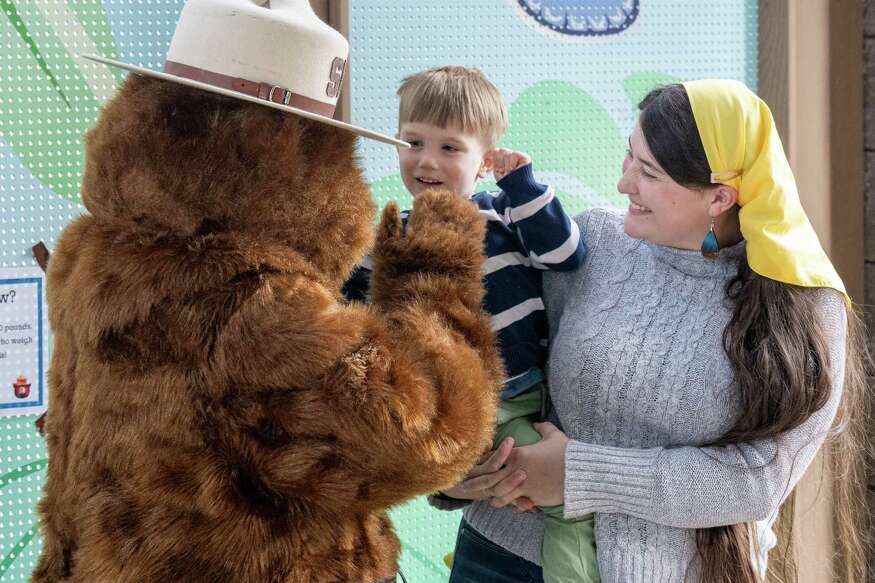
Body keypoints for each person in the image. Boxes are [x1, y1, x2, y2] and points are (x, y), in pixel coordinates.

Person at [434, 79, 871, 583]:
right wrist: (455, 476)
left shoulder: (804, 304)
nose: (624, 184)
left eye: (649, 172)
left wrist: (579, 473)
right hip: (501, 556)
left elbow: (759, 480)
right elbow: (492, 370)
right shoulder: (585, 243)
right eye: (629, 157)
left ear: (720, 197)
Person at [344, 65, 598, 583]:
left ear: (484, 161)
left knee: (568, 502)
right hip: (450, 403)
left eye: (450, 148)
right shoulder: (391, 239)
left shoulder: (505, 214)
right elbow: (347, 312)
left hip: (518, 396)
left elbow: (567, 254)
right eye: (413, 141)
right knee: (560, 501)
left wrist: (522, 184)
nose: (427, 160)